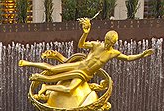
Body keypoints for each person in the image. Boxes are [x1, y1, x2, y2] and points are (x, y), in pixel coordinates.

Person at [18, 18, 152, 102]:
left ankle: (46, 86)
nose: (106, 44)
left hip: (85, 74)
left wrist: (141, 55)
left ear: (113, 43)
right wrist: (85, 33)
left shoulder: (113, 53)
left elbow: (128, 58)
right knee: (52, 69)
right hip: (79, 65)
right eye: (106, 40)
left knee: (68, 89)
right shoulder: (96, 45)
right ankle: (28, 63)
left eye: (109, 42)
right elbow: (81, 45)